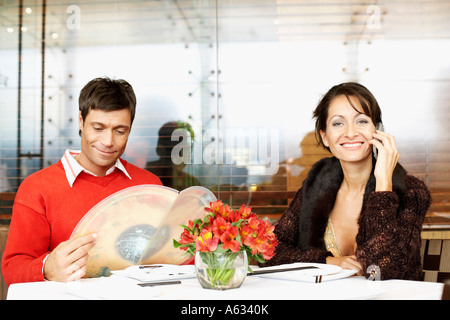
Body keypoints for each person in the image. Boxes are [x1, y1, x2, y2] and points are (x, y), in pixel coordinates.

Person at [263, 82, 431, 280]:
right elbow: (268, 249)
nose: (350, 132)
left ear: (377, 130)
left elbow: (383, 268)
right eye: (337, 123)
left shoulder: (411, 192)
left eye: (361, 121)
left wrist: (384, 185)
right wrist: (326, 261)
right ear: (325, 137)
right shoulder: (315, 187)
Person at [2, 77, 162, 285]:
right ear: (81, 120)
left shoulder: (149, 185)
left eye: (120, 131)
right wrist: (46, 268)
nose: (108, 141)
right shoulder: (37, 188)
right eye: (98, 128)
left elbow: (173, 258)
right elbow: (13, 270)